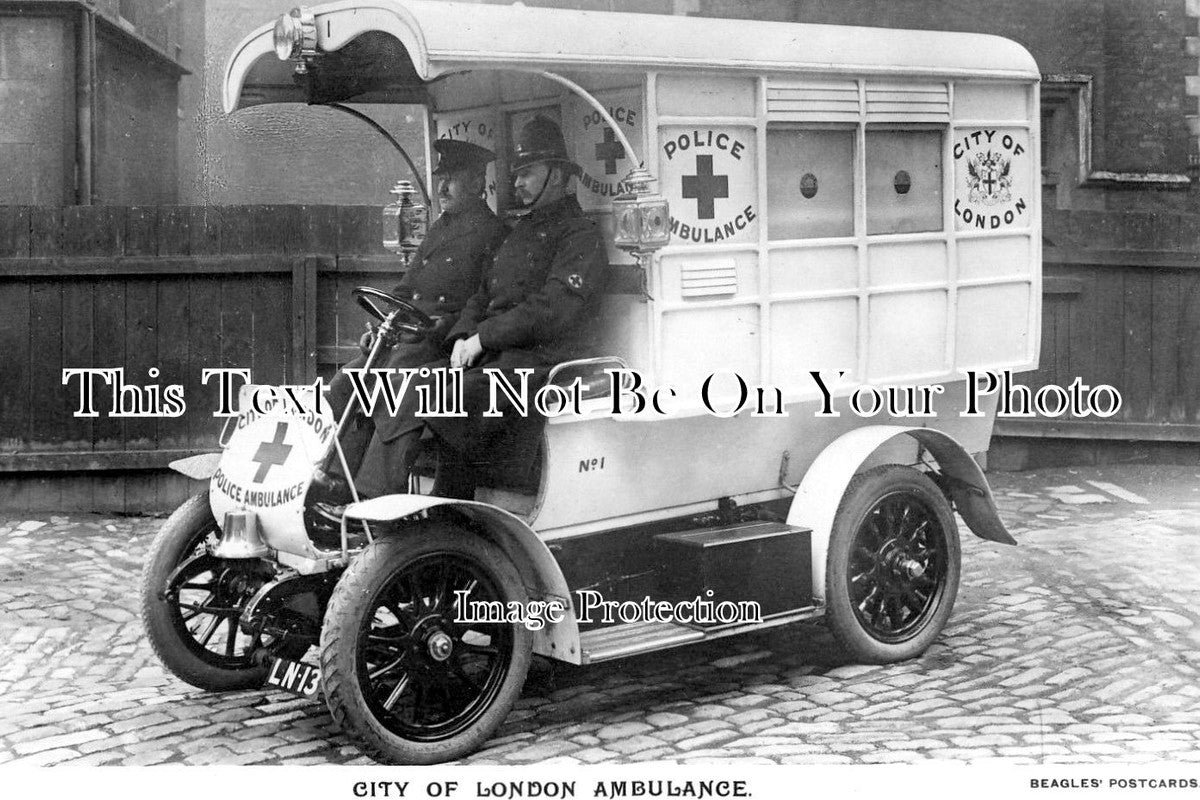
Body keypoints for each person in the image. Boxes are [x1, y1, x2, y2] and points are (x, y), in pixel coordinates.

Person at [352, 116, 609, 500]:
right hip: (498, 354)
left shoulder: (579, 236)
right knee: (408, 382)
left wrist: (483, 337)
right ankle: (389, 497)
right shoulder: (522, 230)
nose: (517, 183)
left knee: (426, 390)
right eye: (516, 174)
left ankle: (390, 501)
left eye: (527, 173)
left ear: (556, 175)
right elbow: (481, 294)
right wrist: (464, 337)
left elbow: (553, 310)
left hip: (538, 362)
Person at [321, 139, 508, 485]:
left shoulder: (494, 234)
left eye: (451, 178)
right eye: (441, 177)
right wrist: (379, 326)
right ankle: (333, 483)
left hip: (442, 345)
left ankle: (374, 494)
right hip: (406, 339)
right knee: (344, 383)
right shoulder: (440, 227)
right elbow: (406, 290)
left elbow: (484, 302)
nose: (441, 187)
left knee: (393, 385)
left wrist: (441, 328)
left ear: (477, 183)